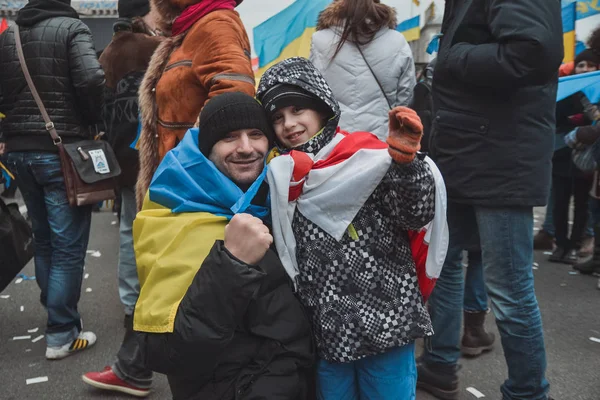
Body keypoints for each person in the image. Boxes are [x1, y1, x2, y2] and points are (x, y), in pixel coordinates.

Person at [257, 57, 445, 399]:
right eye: (277, 118)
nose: (289, 124)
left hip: (388, 323)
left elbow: (413, 215)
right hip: (329, 329)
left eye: (297, 109)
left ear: (320, 105)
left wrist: (405, 165)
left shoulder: (367, 158)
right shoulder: (283, 175)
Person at [417, 0, 563, 399]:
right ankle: (439, 365)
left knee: (509, 287)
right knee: (442, 267)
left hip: (500, 155)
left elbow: (533, 50)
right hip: (468, 148)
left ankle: (528, 391)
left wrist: (453, 56)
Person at [133, 92, 314, 400]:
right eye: (229, 138)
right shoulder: (175, 211)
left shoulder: (272, 196)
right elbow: (168, 351)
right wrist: (232, 263)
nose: (246, 148)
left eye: (256, 135)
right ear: (207, 149)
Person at [0, 0, 104, 360]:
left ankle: (56, 311)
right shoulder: (73, 29)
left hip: (17, 151)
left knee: (43, 239)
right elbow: (92, 78)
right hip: (60, 150)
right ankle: (61, 332)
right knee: (68, 247)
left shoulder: (9, 35)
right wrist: (92, 121)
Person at [81, 0, 162, 396]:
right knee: (161, 233)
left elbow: (100, 104)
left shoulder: (109, 51)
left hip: (121, 157)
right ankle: (157, 305)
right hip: (154, 154)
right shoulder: (154, 48)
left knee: (130, 231)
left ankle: (133, 304)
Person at [136, 0, 255, 210]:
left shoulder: (215, 22)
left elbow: (234, 92)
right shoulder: (192, 28)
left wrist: (188, 157)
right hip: (182, 183)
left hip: (196, 187)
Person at [309, 0, 415, 141]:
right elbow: (406, 95)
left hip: (334, 141)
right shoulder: (397, 41)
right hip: (380, 141)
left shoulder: (320, 40)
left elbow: (312, 93)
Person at [548, 48, 600, 265]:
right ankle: (560, 244)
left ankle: (575, 244)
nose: (585, 69)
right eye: (581, 65)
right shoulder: (566, 89)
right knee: (559, 201)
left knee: (582, 205)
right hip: (561, 153)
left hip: (586, 158)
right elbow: (555, 117)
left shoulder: (595, 93)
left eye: (589, 66)